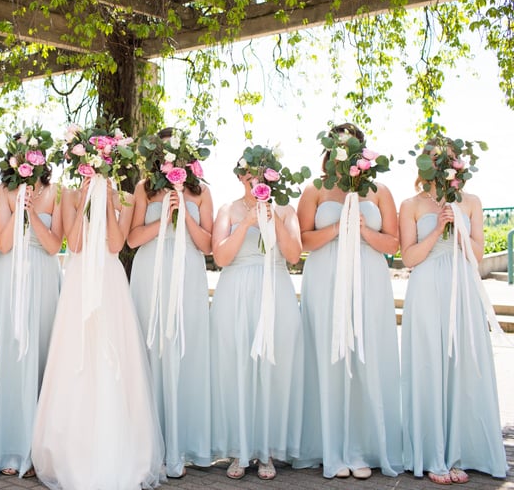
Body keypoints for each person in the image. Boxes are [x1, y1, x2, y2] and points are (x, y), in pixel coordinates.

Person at [31, 175, 164, 490]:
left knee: (113, 358)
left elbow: (117, 244)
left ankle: (118, 445)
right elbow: (74, 242)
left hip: (110, 279)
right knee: (76, 357)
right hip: (79, 278)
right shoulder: (69, 195)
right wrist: (87, 202)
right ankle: (71, 448)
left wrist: (105, 205)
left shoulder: (126, 197)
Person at [294, 123, 403, 479]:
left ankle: (362, 446)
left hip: (369, 281)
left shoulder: (380, 191)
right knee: (327, 356)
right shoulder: (315, 189)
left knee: (365, 355)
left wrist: (362, 229)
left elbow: (393, 245)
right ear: (330, 150)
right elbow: (302, 244)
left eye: (353, 145)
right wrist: (338, 227)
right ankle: (330, 446)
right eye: (340, 144)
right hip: (325, 280)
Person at [398, 142, 506, 484]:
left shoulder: (471, 202)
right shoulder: (411, 205)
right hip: (427, 285)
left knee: (464, 365)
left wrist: (456, 225)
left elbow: (477, 252)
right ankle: (431, 454)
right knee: (429, 364)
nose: (440, 163)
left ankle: (463, 449)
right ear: (424, 165)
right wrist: (436, 228)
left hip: (462, 286)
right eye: (433, 158)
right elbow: (410, 258)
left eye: (446, 158)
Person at [209, 158, 304, 481]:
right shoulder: (227, 210)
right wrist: (248, 224)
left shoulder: (287, 211)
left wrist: (272, 219)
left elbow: (293, 255)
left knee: (273, 370)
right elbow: (220, 257)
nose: (255, 180)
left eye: (261, 175)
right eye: (249, 174)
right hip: (235, 292)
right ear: (240, 177)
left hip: (276, 290)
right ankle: (239, 448)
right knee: (236, 368)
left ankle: (267, 451)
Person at [128, 130, 213, 478]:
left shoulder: (201, 190)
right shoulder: (143, 188)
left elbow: (208, 245)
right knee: (151, 352)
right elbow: (132, 238)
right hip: (150, 272)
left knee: (184, 350)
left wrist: (184, 214)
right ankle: (151, 443)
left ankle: (184, 442)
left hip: (188, 273)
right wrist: (162, 218)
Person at [0, 150, 62, 478]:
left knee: (42, 357)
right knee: (12, 359)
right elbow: (2, 245)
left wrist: (32, 214)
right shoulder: (3, 192)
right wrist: (17, 208)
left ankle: (39, 451)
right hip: (8, 276)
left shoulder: (56, 192)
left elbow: (54, 246)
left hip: (44, 276)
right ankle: (10, 446)